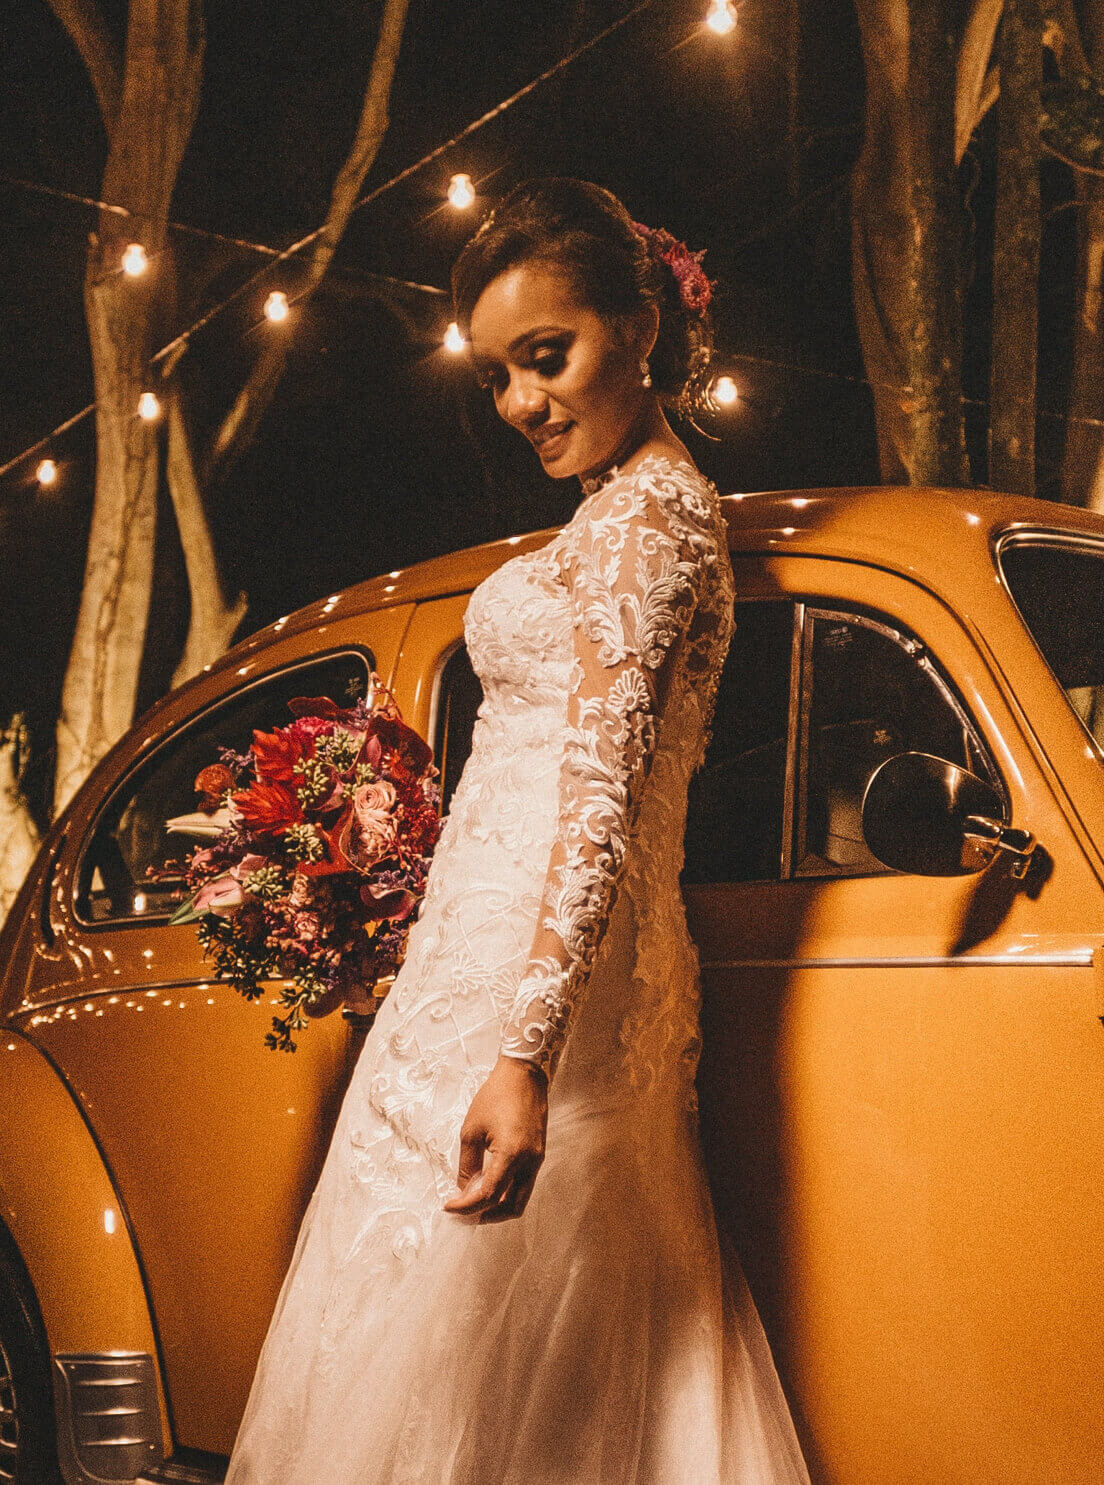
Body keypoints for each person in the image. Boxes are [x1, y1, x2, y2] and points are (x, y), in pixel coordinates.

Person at [224, 177, 811, 1484]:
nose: (522, 402)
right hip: (503, 973)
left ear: (638, 325)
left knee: (493, 1377)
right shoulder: (624, 514)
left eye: (548, 356)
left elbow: (598, 794)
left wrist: (524, 1056)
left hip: (537, 1008)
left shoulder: (651, 520)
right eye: (498, 375)